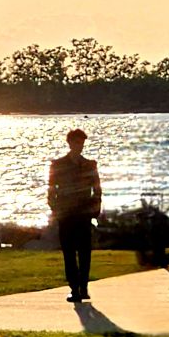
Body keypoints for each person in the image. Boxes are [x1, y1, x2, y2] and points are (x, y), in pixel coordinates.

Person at [47, 128, 102, 303]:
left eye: (82, 143)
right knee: (69, 253)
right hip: (66, 215)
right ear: (69, 143)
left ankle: (84, 287)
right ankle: (74, 288)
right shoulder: (58, 164)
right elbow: (51, 189)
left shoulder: (90, 164)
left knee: (85, 252)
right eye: (77, 142)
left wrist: (95, 210)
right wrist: (56, 209)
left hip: (84, 215)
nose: (80, 146)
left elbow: (97, 190)